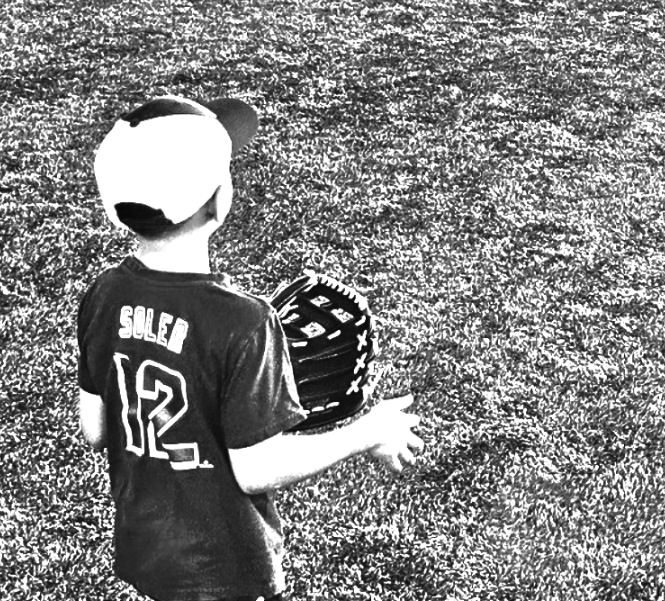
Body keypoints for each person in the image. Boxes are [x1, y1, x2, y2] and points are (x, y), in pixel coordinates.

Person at [77, 94, 424, 601]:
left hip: (147, 547)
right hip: (229, 567)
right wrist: (365, 431)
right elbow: (256, 466)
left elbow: (94, 429)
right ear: (219, 203)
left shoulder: (103, 295)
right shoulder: (244, 322)